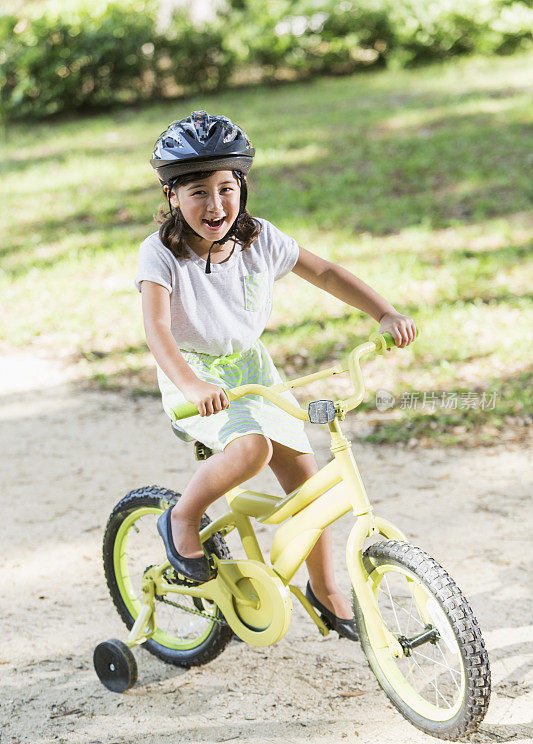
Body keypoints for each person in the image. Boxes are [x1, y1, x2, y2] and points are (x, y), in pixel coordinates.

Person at [135, 110, 417, 640]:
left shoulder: (258, 238)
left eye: (226, 187)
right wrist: (194, 387)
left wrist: (384, 313)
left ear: (241, 185)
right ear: (172, 196)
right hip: (191, 372)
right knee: (251, 450)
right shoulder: (161, 255)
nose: (214, 205)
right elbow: (156, 330)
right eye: (197, 191)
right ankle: (181, 518)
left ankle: (327, 590)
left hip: (252, 368)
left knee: (308, 485)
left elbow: (326, 272)